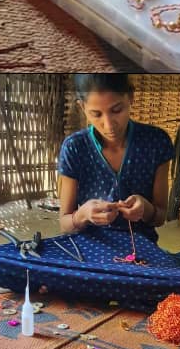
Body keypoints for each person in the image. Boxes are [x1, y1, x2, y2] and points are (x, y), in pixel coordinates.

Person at [58, 74, 172, 242]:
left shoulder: (156, 142)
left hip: (140, 245)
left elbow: (160, 217)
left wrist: (146, 209)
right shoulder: (74, 147)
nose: (109, 125)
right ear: (82, 107)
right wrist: (82, 215)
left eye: (117, 110)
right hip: (89, 247)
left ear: (131, 97)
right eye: (96, 114)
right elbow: (64, 223)